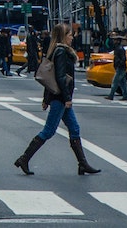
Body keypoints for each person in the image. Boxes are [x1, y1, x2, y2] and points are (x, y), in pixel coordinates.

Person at [13, 22, 99, 177]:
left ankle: (82, 164)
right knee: (49, 131)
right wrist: (66, 98)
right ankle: (24, 159)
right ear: (63, 36)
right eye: (70, 35)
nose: (72, 38)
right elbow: (59, 77)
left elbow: (50, 77)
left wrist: (46, 98)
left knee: (74, 128)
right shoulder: (61, 52)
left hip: (59, 97)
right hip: (60, 98)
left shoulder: (57, 51)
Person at [107, 36, 127, 101]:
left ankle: (111, 95)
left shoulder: (119, 49)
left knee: (115, 82)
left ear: (118, 41)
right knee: (122, 83)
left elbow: (123, 59)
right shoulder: (118, 48)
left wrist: (119, 64)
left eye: (115, 40)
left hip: (120, 68)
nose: (114, 41)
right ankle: (126, 96)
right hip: (121, 67)